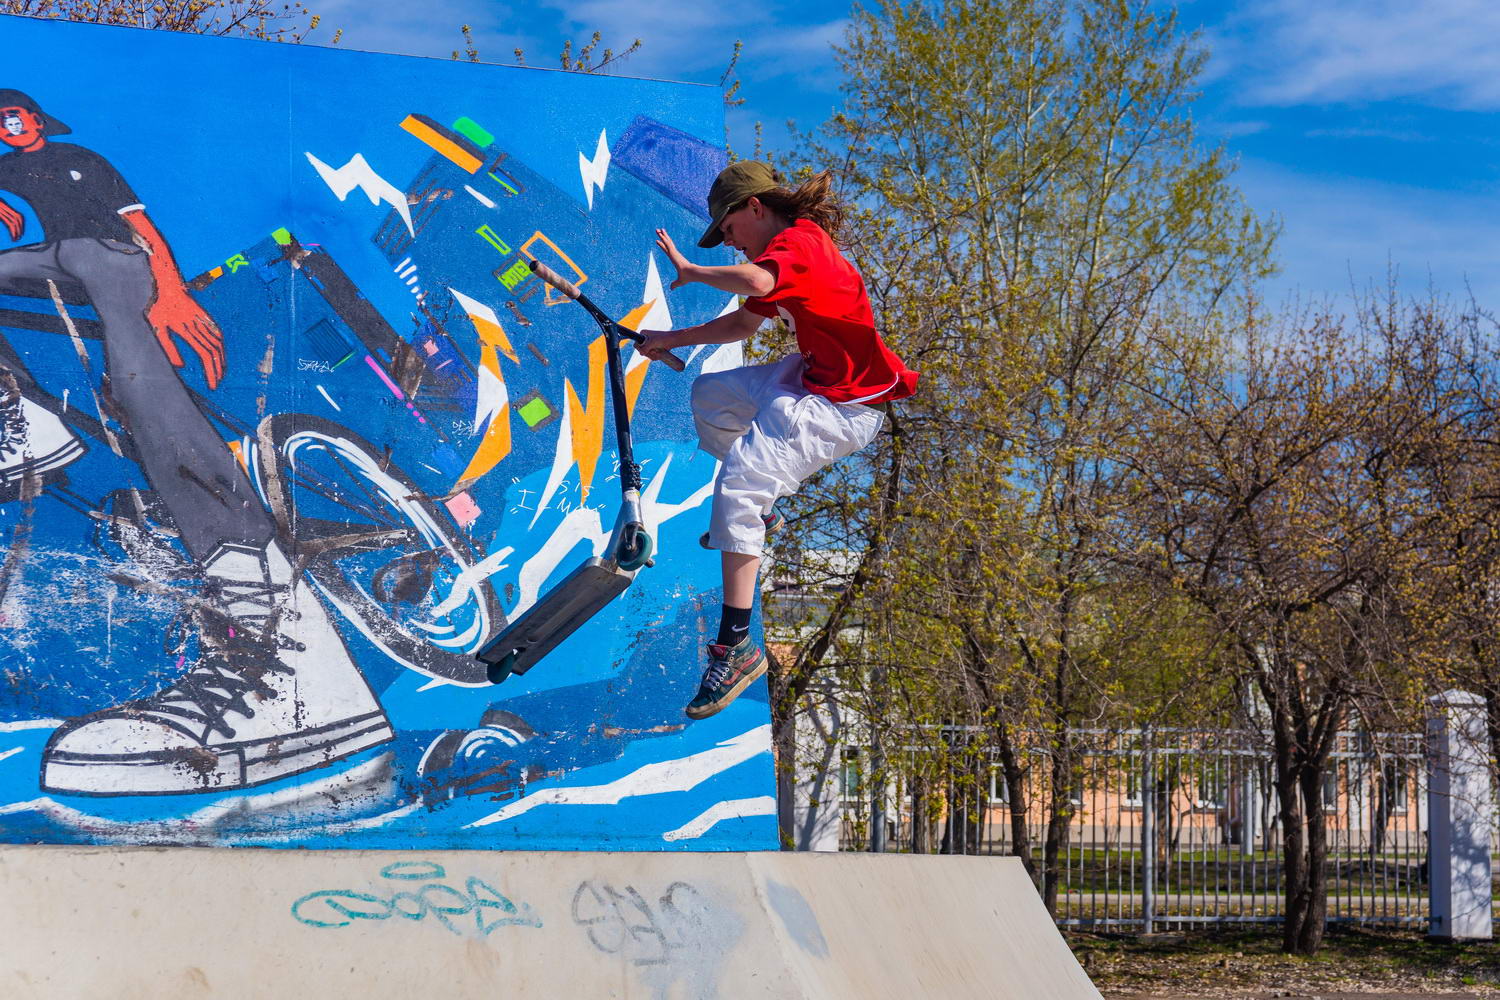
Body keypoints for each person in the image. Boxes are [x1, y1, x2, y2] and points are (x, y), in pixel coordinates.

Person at [0, 90, 390, 795]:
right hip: (58, 259)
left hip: (118, 260)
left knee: (141, 384)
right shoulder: (14, 169)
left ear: (35, 118)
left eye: (14, 116)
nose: (9, 128)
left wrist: (171, 292)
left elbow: (138, 223)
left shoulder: (81, 160)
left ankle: (306, 676)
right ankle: (20, 414)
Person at [638, 161, 918, 720]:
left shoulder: (800, 243)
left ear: (755, 207)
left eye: (730, 230)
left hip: (844, 407)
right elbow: (744, 324)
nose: (732, 245)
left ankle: (737, 646)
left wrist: (694, 270)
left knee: (738, 486)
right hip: (809, 380)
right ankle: (761, 513)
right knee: (711, 396)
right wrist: (670, 338)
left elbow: (758, 282)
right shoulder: (786, 254)